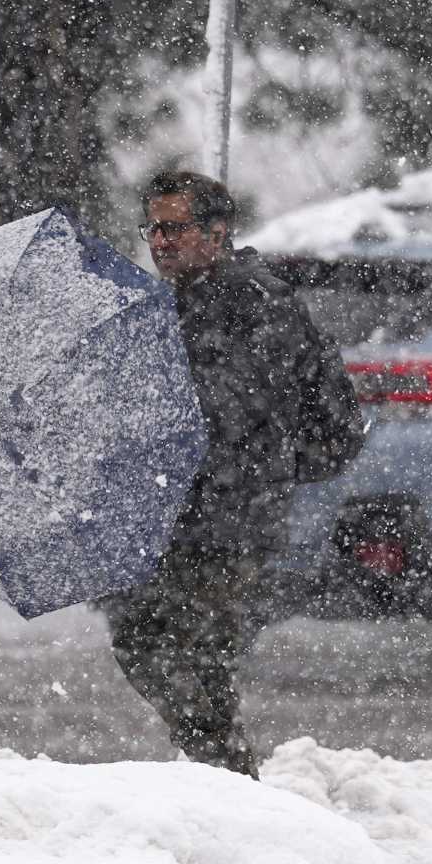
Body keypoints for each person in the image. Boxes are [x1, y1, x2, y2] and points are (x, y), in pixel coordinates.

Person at [104, 170, 365, 777]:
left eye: (175, 228)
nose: (160, 242)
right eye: (152, 228)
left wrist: (256, 473)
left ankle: (227, 784)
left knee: (192, 659)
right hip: (172, 518)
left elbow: (237, 408)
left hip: (228, 521)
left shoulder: (254, 303)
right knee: (149, 641)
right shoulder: (170, 302)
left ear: (216, 234)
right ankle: (219, 778)